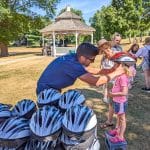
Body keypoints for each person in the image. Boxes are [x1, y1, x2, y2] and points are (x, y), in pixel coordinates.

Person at [36, 43, 124, 96]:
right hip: (46, 91)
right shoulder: (73, 65)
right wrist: (116, 73)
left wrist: (111, 70)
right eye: (92, 59)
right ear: (82, 58)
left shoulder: (74, 58)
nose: (93, 62)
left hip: (51, 88)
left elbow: (90, 70)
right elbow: (96, 82)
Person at [107, 62, 130, 143]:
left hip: (120, 102)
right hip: (117, 101)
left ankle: (120, 136)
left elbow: (125, 92)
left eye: (116, 66)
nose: (114, 67)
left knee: (122, 119)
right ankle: (117, 130)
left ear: (122, 67)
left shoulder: (123, 77)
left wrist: (112, 94)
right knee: (119, 117)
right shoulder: (119, 76)